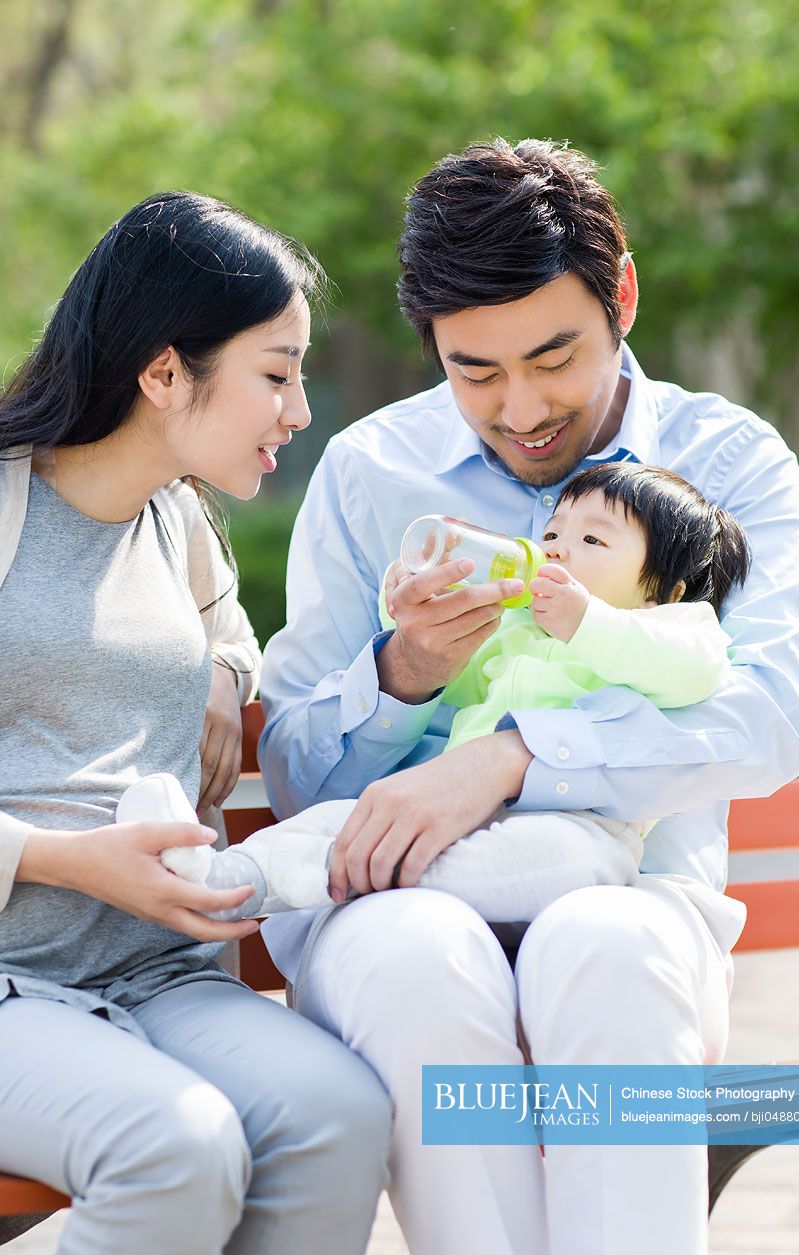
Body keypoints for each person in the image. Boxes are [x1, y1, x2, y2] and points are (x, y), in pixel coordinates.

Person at [258, 139, 799, 1255]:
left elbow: (766, 715)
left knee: (603, 948)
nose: (520, 409)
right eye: (475, 371)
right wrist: (403, 674)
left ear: (622, 298)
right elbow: (295, 779)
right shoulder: (372, 473)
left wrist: (517, 752)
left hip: (636, 900)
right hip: (392, 911)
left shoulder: (730, 461)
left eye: (554, 356)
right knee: (425, 959)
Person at [0, 191, 391, 1255]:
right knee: (178, 1147)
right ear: (165, 372)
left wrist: (222, 670)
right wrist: (70, 861)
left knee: (338, 1115)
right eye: (276, 373)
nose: (299, 410)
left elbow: (225, 637)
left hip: (159, 973)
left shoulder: (179, 521)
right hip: (9, 983)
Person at [153, 461, 748, 928]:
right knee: (355, 818)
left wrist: (586, 620)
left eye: (593, 540)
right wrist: (424, 633)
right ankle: (219, 877)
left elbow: (692, 674)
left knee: (445, 855)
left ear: (663, 589)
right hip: (459, 811)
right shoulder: (517, 630)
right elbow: (454, 685)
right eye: (554, 532)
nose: (558, 548)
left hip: (584, 831)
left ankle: (344, 877)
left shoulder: (671, 626)